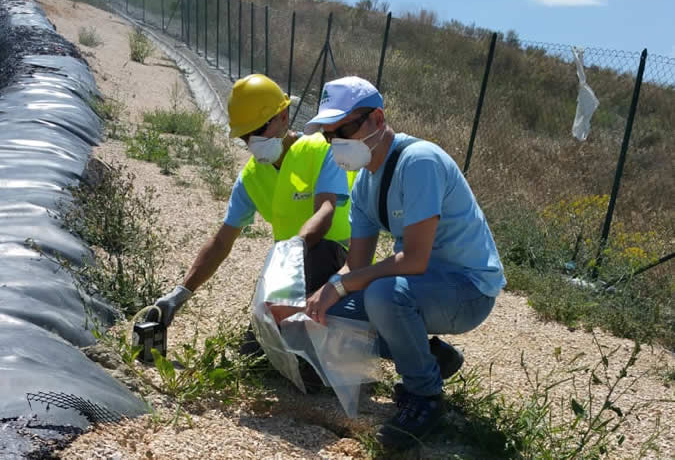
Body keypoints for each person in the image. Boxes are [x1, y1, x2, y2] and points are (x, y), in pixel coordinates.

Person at [303, 76, 506, 450]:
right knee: (332, 312)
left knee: (382, 294)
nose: (337, 143)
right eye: (329, 136)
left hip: (468, 291)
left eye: (344, 129)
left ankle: (425, 397)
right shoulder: (365, 183)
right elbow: (355, 266)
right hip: (424, 286)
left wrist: (343, 284)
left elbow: (414, 259)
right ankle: (428, 356)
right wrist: (322, 294)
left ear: (377, 120)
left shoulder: (419, 162)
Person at [149, 74, 352, 370]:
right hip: (291, 270)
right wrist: (182, 292)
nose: (253, 142)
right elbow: (221, 241)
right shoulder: (251, 178)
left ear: (283, 117)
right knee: (254, 360)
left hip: (338, 265)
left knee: (317, 257)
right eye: (246, 136)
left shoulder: (321, 151)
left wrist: (290, 254)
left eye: (259, 130)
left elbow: (324, 213)